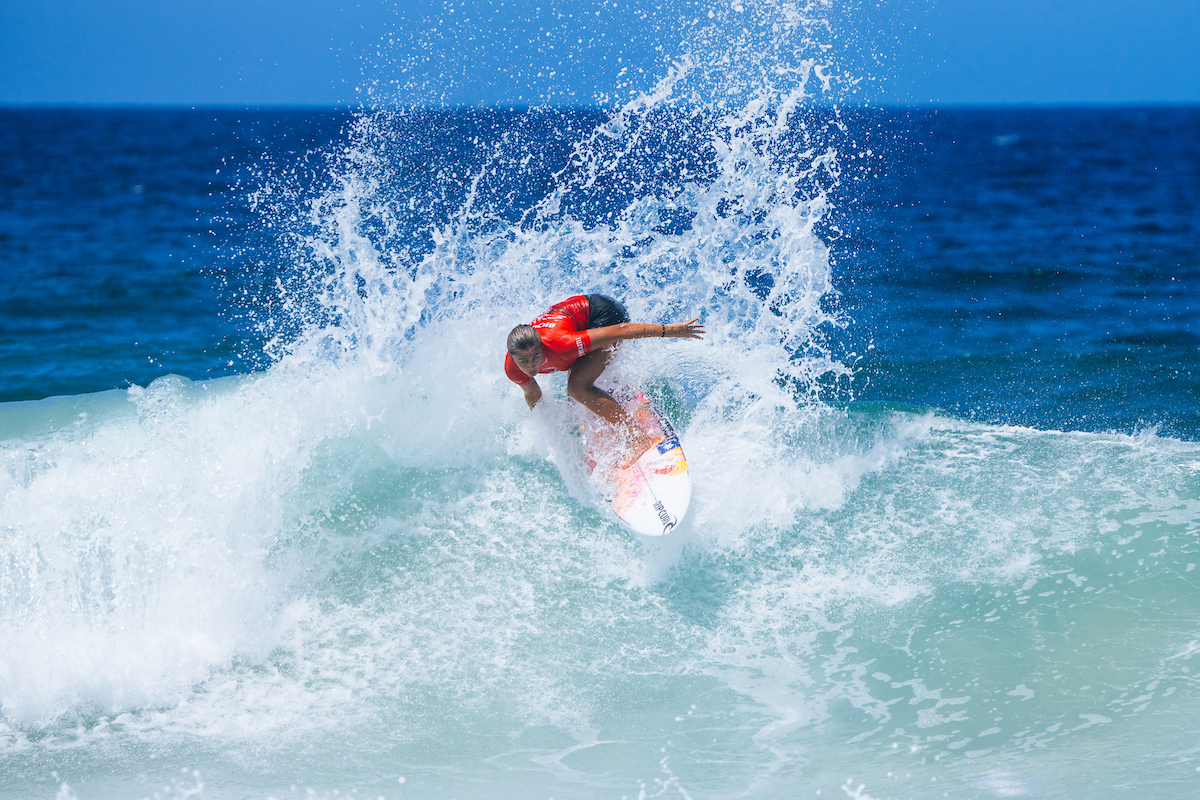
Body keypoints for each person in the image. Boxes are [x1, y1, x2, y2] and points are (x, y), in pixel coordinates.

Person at [504, 294, 704, 459]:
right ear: (513, 358)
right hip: (575, 322)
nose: (531, 365)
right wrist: (547, 425)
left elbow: (621, 330)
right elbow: (532, 394)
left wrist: (670, 330)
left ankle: (637, 438)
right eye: (523, 361)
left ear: (542, 347)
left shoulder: (562, 344)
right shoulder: (513, 369)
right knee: (574, 396)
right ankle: (604, 398)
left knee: (577, 388)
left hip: (605, 314)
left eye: (536, 356)